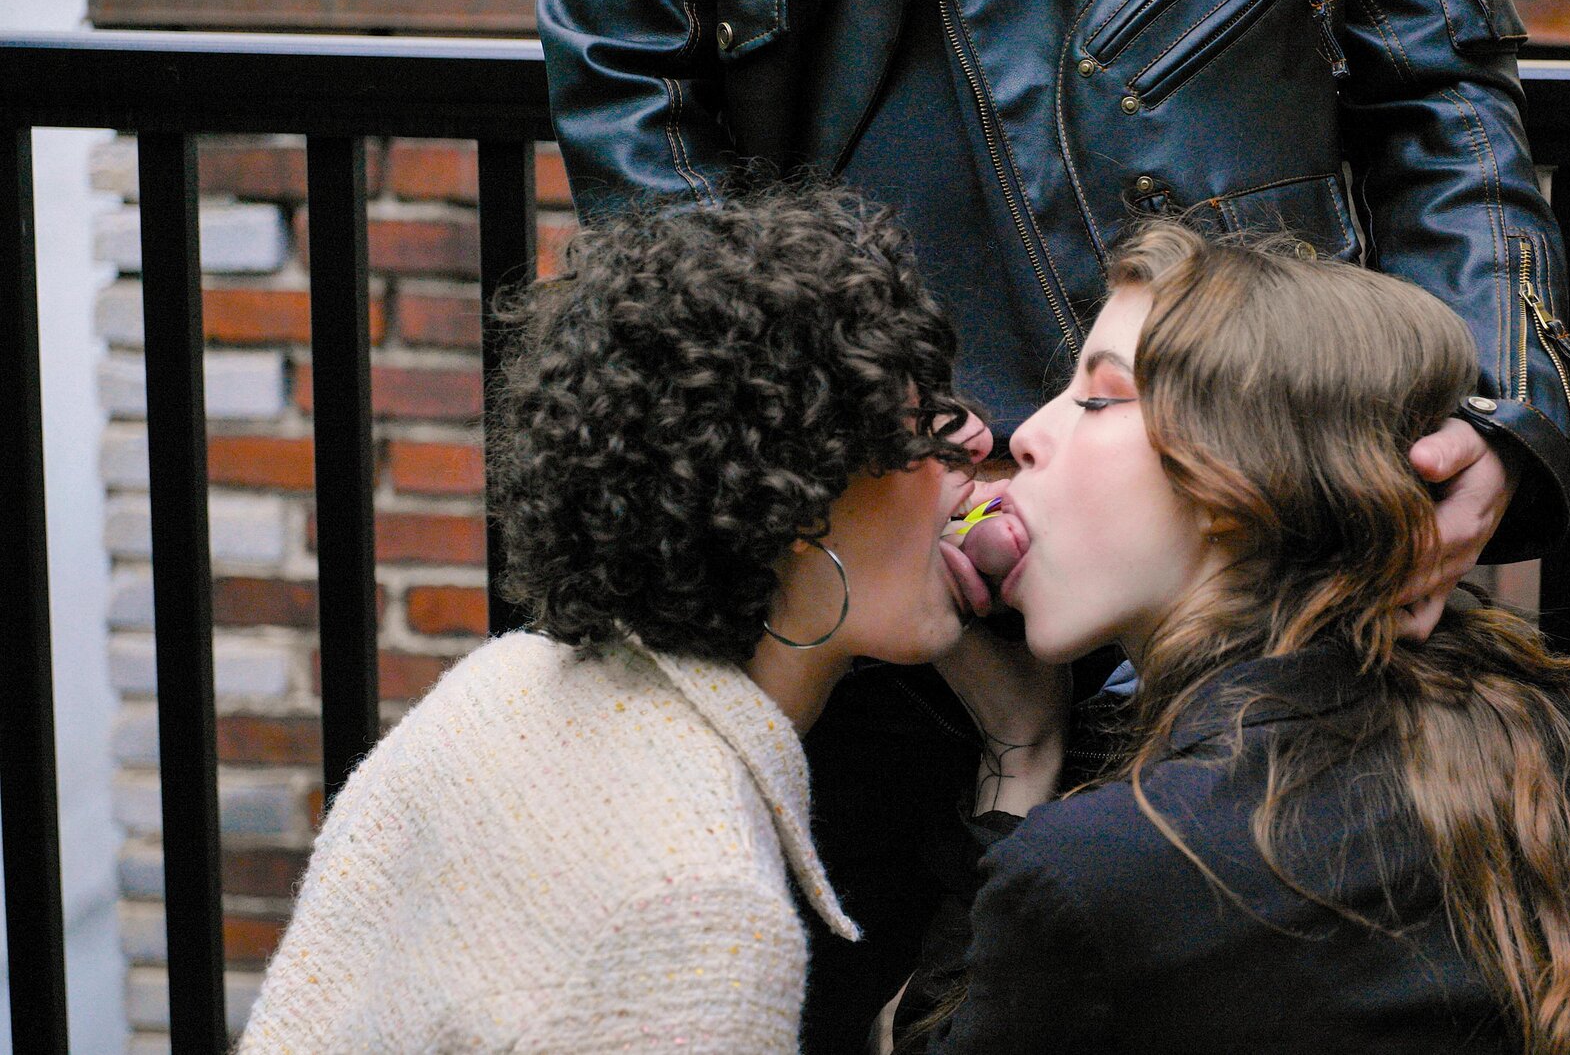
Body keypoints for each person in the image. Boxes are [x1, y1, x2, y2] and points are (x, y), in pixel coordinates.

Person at [537, 0, 1570, 1042]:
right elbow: (627, 73)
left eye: (1091, 399)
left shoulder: (1552, 786)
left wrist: (1490, 401)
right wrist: (819, 421)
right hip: (855, 563)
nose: (1013, 436)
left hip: (1238, 550)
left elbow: (1436, 78)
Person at [909, 222, 1570, 1054]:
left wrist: (1020, 759)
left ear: (1239, 478)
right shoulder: (1541, 753)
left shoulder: (1089, 872)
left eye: (1100, 398)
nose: (1027, 435)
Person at [236, 187, 1005, 1053]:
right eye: (917, 425)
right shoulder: (703, 904)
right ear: (796, 500)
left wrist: (1022, 752)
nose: (976, 439)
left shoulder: (498, 687)